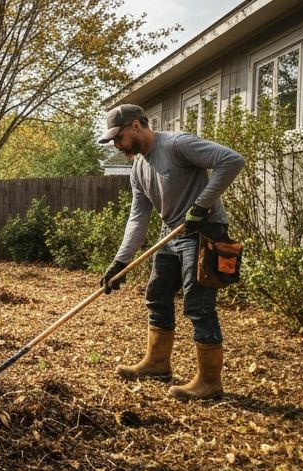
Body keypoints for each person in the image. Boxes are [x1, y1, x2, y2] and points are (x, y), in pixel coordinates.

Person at [98, 103, 245, 401]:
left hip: (203, 232)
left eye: (119, 137)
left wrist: (202, 204)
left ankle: (209, 382)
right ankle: (157, 363)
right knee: (157, 296)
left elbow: (232, 160)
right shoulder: (138, 168)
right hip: (171, 234)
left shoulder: (177, 144)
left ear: (136, 126)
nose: (117, 145)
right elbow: (138, 217)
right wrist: (120, 262)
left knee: (198, 305)